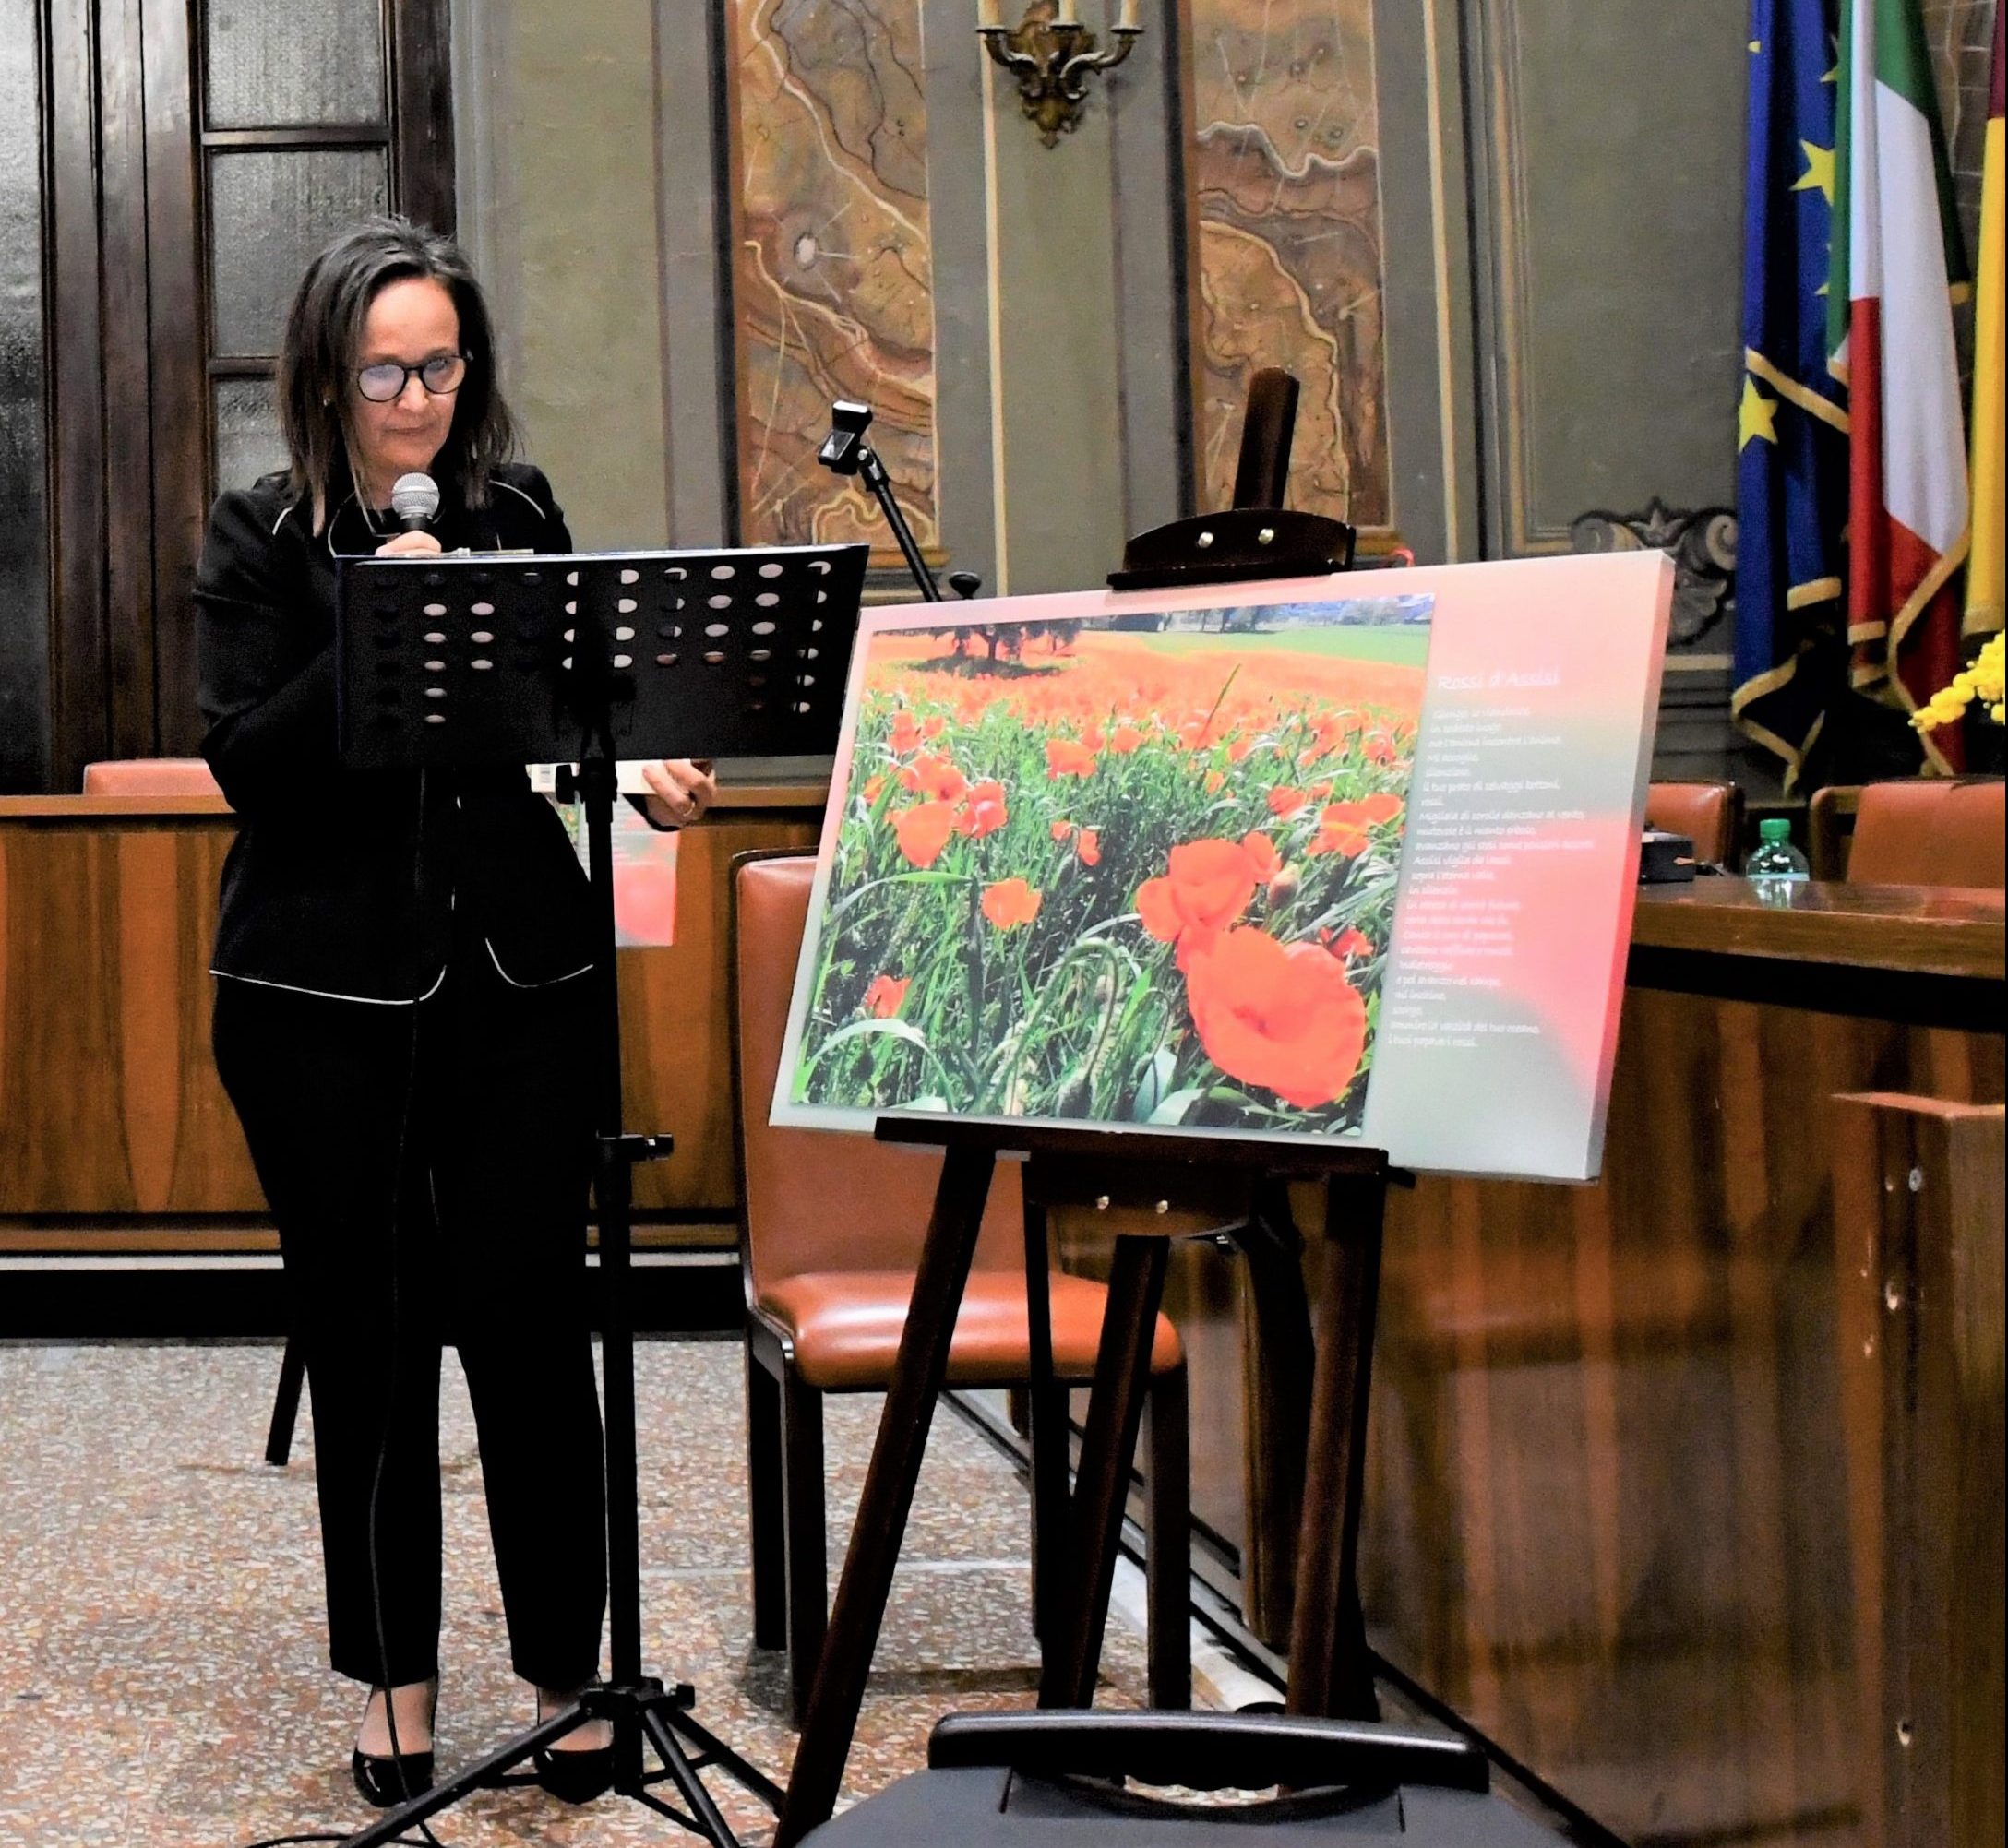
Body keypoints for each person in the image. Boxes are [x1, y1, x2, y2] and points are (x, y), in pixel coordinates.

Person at [195, 214, 714, 1810]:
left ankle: (565, 1672)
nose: (415, 399)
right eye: (384, 371)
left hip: (521, 978)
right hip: (316, 996)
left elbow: (564, 714)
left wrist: (639, 769)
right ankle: (396, 1682)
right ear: (328, 376)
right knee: (368, 1340)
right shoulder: (264, 532)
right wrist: (376, 616)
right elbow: (249, 764)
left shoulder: (520, 511)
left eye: (439, 365)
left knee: (533, 1332)